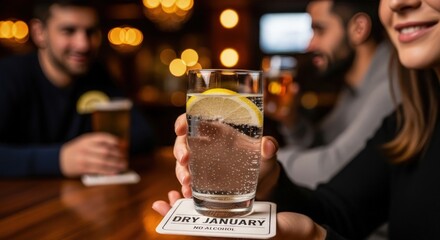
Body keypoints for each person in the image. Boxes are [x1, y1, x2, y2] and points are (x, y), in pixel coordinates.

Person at [153, 0, 440, 238]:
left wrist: (314, 235)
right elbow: (339, 211)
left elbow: (330, 162)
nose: (397, 2)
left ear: (359, 29)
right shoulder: (413, 118)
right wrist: (269, 178)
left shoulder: (389, 90)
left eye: (319, 29)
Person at [0, 0, 154, 177]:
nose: (83, 45)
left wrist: (95, 150)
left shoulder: (97, 74)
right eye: (69, 31)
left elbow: (144, 135)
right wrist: (60, 159)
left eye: (90, 32)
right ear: (39, 32)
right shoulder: (8, 76)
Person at [275, 0, 398, 189]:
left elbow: (331, 168)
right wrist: (291, 120)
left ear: (359, 28)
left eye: (320, 30)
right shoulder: (354, 85)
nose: (310, 44)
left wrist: (253, 157)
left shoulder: (392, 83)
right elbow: (321, 143)